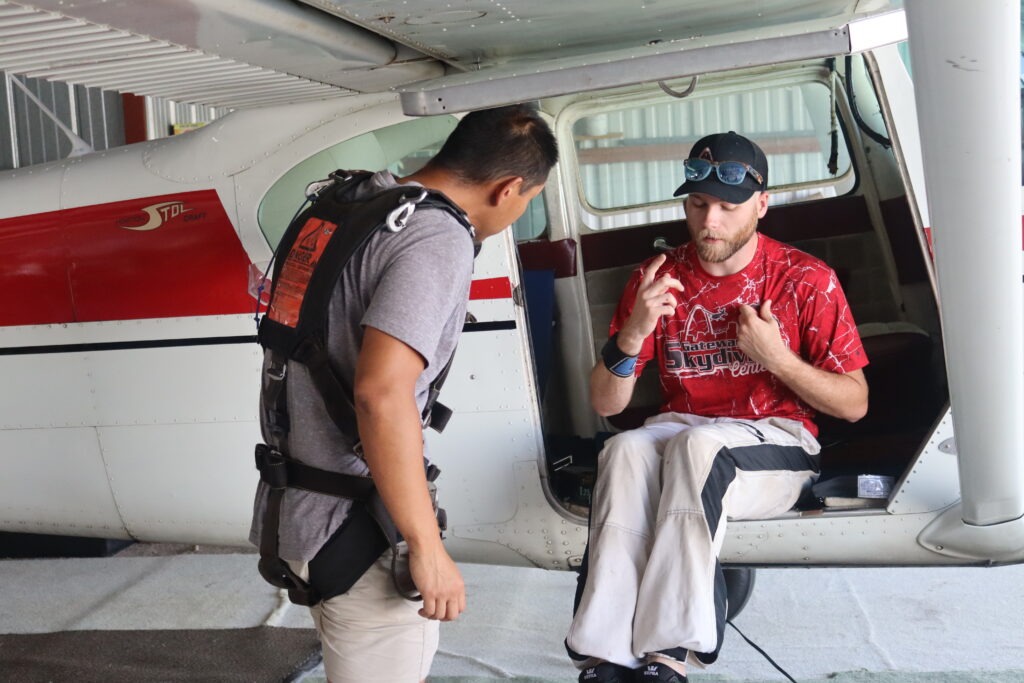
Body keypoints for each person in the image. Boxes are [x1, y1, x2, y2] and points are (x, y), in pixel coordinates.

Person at [250, 104, 558, 683]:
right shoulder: (436, 236)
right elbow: (381, 393)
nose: (521, 211)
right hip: (355, 530)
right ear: (508, 188)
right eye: (529, 199)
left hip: (294, 510)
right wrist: (425, 544)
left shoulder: (351, 205)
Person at [565, 131, 868, 683]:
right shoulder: (657, 277)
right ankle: (604, 655)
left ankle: (669, 655)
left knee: (697, 449)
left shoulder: (805, 279)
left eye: (728, 208)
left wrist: (777, 358)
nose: (710, 223)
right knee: (626, 448)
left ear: (762, 204)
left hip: (778, 443)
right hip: (683, 432)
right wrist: (634, 332)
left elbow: (854, 405)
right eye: (698, 204)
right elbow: (607, 404)